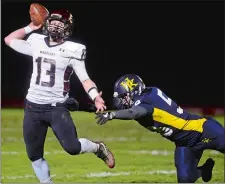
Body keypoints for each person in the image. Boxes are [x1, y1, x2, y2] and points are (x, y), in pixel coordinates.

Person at [4, 9, 115, 183]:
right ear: (46, 24)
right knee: (33, 154)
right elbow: (9, 40)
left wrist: (95, 97)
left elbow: (85, 79)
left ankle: (97, 147)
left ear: (68, 27)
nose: (55, 27)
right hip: (33, 107)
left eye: (60, 24)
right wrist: (30, 27)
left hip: (56, 107)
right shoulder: (36, 41)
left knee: (72, 147)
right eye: (53, 22)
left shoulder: (73, 49)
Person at [95, 74, 225, 183]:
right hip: (184, 144)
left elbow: (134, 113)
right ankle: (204, 170)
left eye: (124, 97)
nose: (122, 102)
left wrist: (112, 115)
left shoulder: (147, 100)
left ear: (134, 91)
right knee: (185, 180)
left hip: (203, 130)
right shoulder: (146, 95)